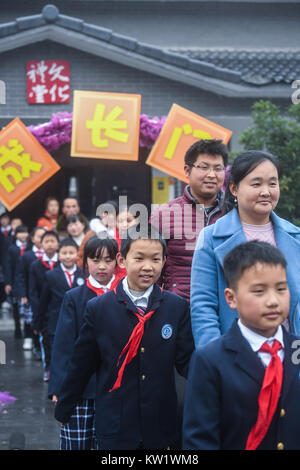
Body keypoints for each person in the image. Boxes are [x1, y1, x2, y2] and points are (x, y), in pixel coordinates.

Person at [54, 224, 194, 450]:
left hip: (160, 423)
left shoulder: (175, 307)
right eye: (139, 258)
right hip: (115, 423)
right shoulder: (99, 308)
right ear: (122, 260)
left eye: (156, 259)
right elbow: (82, 363)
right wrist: (65, 405)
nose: (148, 267)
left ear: (164, 261)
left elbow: (188, 361)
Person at [183, 241, 300, 450]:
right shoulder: (211, 359)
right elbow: (200, 439)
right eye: (259, 291)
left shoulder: (296, 350)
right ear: (231, 298)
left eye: (281, 289)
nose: (273, 301)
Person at [191, 150, 300, 348]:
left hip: (289, 357)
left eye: (272, 183)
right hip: (235, 357)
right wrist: (216, 360)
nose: (266, 191)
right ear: (234, 188)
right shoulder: (211, 238)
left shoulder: (295, 236)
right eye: (256, 184)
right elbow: (203, 307)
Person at [49, 236, 122, 450]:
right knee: (77, 443)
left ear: (118, 261)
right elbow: (63, 345)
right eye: (95, 259)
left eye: (108, 260)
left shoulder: (122, 295)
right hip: (81, 388)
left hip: (113, 387)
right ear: (85, 261)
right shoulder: (74, 297)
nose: (102, 266)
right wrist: (58, 387)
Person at [150, 139, 228, 303]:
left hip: (224, 307)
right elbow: (150, 266)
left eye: (218, 168)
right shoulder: (163, 214)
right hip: (177, 307)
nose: (211, 174)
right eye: (204, 167)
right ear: (187, 170)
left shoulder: (235, 214)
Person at [34, 239, 84, 380]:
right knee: (56, 348)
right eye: (64, 253)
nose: (68, 256)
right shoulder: (50, 275)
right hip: (56, 319)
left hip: (78, 320)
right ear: (59, 255)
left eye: (71, 253)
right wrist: (38, 322)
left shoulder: (83, 274)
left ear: (77, 255)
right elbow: (44, 301)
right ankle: (52, 372)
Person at [29, 230, 59, 381]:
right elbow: (33, 292)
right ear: (41, 244)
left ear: (58, 244)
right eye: (46, 241)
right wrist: (37, 314)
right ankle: (48, 367)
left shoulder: (62, 263)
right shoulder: (36, 265)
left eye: (53, 241)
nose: (50, 244)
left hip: (60, 309)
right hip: (44, 310)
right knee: (46, 340)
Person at [15, 226, 46, 351]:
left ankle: (39, 343)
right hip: (30, 291)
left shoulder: (50, 255)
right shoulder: (27, 256)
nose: (42, 239)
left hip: (44, 291)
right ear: (32, 239)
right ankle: (29, 338)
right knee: (30, 317)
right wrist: (22, 293)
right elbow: (20, 275)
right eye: (39, 236)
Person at [4, 225, 29, 338]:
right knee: (15, 306)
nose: (23, 235)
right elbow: (8, 266)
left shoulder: (29, 247)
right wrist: (8, 282)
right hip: (15, 280)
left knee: (27, 306)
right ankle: (17, 327)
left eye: (25, 232)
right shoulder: (12, 248)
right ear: (16, 234)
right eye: (20, 232)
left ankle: (27, 328)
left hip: (27, 280)